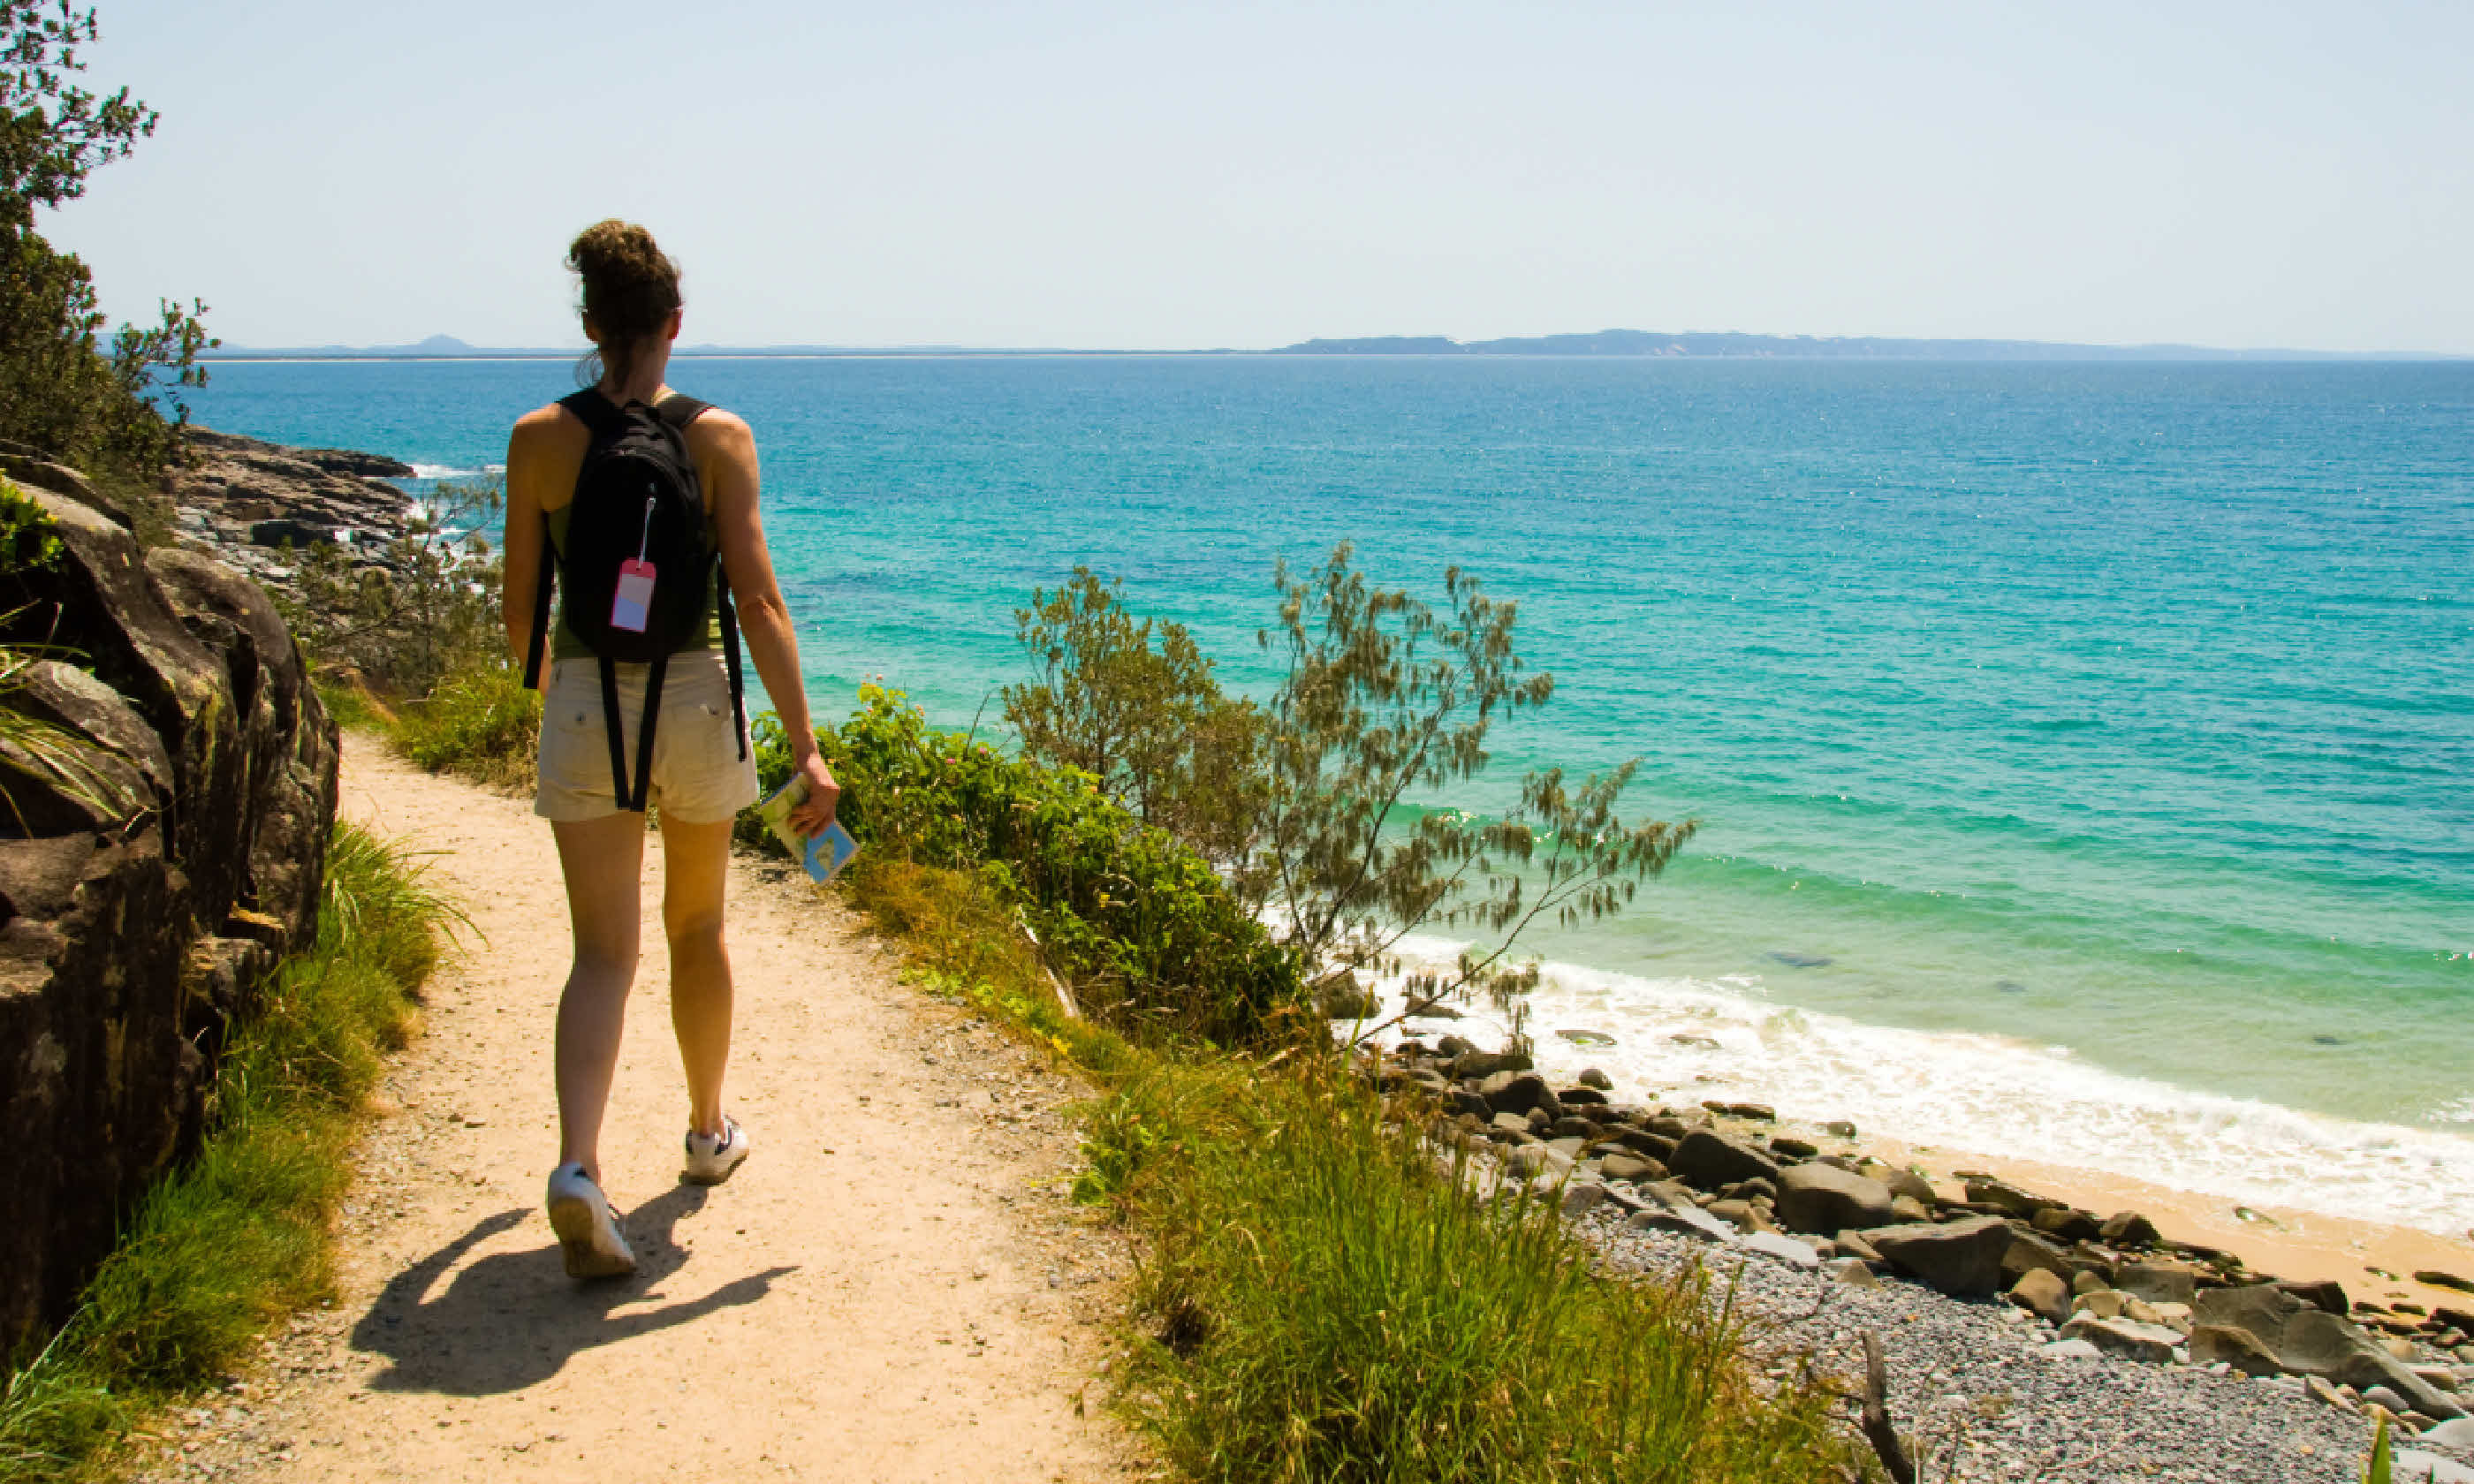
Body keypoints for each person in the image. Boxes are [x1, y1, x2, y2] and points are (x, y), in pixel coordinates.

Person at [502, 219, 839, 1279]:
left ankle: (575, 1169)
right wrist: (805, 749)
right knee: (696, 926)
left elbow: (520, 614)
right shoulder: (719, 437)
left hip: (587, 701)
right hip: (697, 700)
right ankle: (705, 1135)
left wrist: (554, 694)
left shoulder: (539, 438)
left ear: (592, 325)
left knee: (601, 953)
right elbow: (759, 600)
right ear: (673, 325)